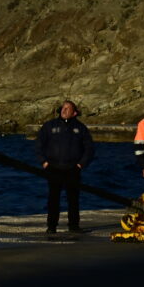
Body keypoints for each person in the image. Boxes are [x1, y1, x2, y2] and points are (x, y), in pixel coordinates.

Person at [35, 100, 94, 234]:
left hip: (73, 169)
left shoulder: (81, 128)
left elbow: (89, 148)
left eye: (68, 108)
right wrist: (43, 162)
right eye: (63, 108)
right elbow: (39, 145)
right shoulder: (49, 126)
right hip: (53, 168)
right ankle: (51, 226)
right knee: (53, 199)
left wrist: (81, 164)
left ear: (74, 113)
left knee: (73, 199)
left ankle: (73, 226)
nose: (64, 110)